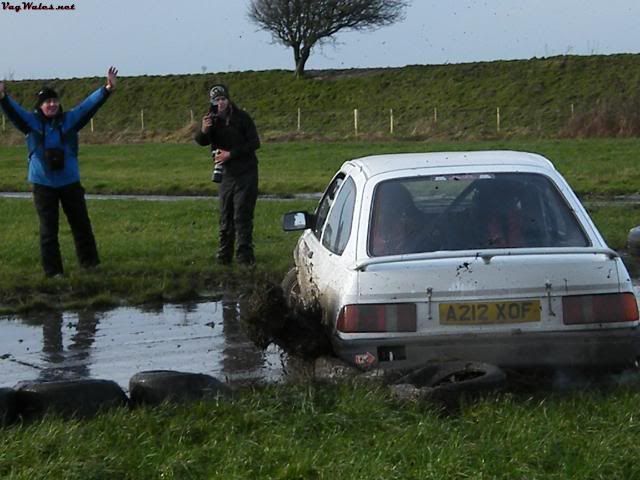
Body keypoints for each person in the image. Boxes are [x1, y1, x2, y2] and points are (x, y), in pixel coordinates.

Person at [0, 67, 118, 277]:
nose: (52, 104)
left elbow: (87, 107)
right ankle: (53, 272)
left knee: (81, 224)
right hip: (43, 184)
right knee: (48, 231)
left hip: (70, 182)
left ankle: (90, 265)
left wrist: (106, 89)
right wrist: (3, 98)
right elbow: (14, 111)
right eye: (47, 102)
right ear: (40, 106)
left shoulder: (70, 120)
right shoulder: (31, 123)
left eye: (54, 101)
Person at [195, 84, 260, 266]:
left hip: (246, 172)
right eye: (217, 100)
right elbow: (201, 141)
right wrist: (204, 130)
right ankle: (224, 256)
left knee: (242, 214)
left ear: (228, 100)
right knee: (225, 215)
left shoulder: (242, 118)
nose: (221, 103)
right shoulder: (211, 121)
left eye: (223, 99)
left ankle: (244, 257)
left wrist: (230, 154)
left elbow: (255, 143)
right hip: (226, 175)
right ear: (212, 102)